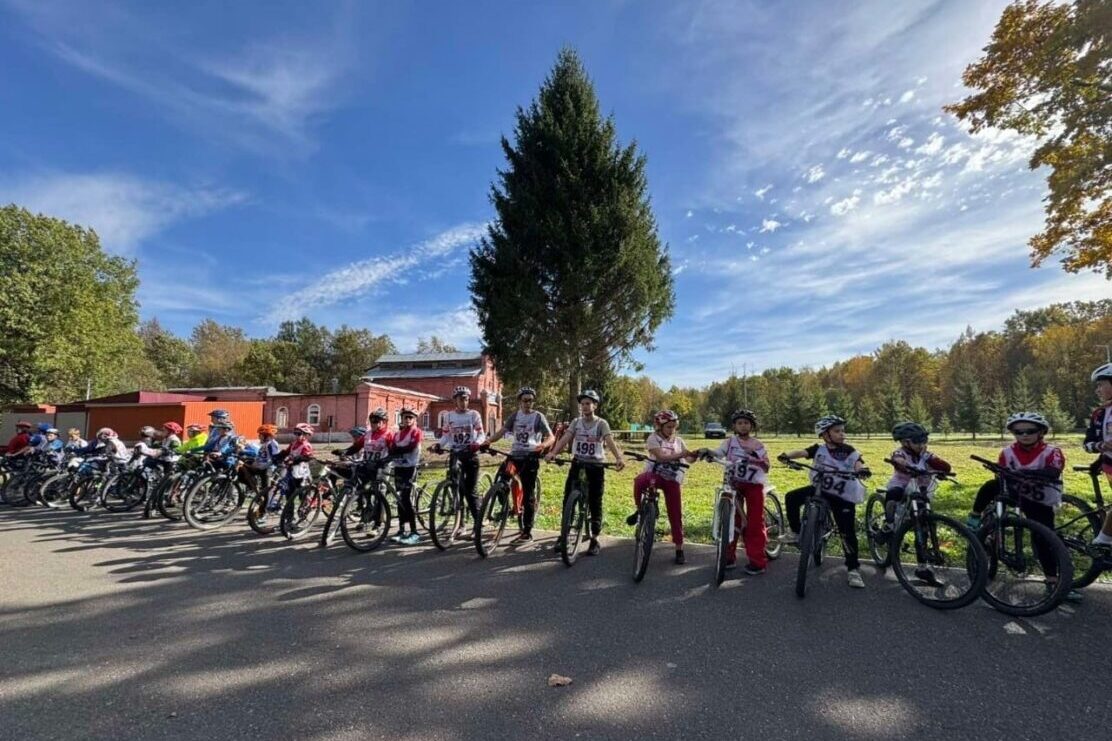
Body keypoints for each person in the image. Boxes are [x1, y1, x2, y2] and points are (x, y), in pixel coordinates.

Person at [966, 412, 1068, 594]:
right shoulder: (1007, 452)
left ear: (1041, 432)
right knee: (991, 486)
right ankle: (976, 518)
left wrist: (1024, 474)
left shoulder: (1052, 452)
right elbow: (1001, 474)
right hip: (1014, 493)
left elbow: (1052, 472)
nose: (1024, 435)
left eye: (1030, 431)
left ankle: (1053, 579)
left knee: (1043, 538)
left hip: (1040, 499)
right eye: (1018, 432)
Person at [778, 414, 871, 589]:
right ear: (825, 434)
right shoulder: (818, 449)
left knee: (847, 532)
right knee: (791, 497)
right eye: (837, 431)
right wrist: (786, 456)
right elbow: (801, 452)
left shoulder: (849, 450)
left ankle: (853, 569)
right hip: (820, 490)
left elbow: (858, 463)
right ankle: (796, 532)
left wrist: (862, 470)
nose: (842, 434)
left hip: (842, 495)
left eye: (843, 431)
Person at [545, 389, 625, 556]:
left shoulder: (601, 424)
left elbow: (609, 441)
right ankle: (564, 534)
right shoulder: (576, 422)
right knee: (568, 498)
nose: (585, 407)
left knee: (595, 502)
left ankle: (595, 538)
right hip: (578, 464)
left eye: (588, 403)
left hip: (596, 467)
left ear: (594, 405)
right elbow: (566, 438)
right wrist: (553, 452)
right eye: (582, 404)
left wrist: (618, 458)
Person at [700, 409, 770, 574]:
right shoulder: (729, 442)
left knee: (754, 523)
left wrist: (754, 458)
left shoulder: (757, 444)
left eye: (746, 423)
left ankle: (757, 562)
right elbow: (719, 452)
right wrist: (709, 452)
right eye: (740, 423)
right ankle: (728, 556)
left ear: (751, 426)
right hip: (734, 484)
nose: (743, 426)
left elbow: (766, 466)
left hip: (753, 485)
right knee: (732, 521)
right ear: (734, 426)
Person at [628, 409, 697, 564]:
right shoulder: (653, 438)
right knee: (639, 481)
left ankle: (679, 548)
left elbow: (690, 459)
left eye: (674, 426)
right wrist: (681, 455)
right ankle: (640, 509)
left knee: (675, 513)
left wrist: (695, 454)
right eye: (668, 427)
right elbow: (662, 457)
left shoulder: (679, 441)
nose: (672, 430)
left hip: (672, 479)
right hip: (655, 475)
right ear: (659, 427)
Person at [488, 387, 555, 544]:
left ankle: (527, 531)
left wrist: (542, 446)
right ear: (519, 401)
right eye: (525, 400)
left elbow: (551, 437)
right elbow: (501, 432)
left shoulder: (538, 417)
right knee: (500, 481)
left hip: (530, 458)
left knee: (528, 494)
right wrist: (488, 441)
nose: (528, 403)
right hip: (515, 456)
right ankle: (507, 510)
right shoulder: (515, 416)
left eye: (530, 400)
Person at [431, 387, 486, 529]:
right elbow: (446, 436)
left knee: (470, 490)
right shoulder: (449, 416)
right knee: (457, 489)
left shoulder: (474, 415)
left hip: (470, 455)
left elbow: (481, 434)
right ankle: (460, 524)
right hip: (455, 454)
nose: (464, 402)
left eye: (466, 399)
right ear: (455, 400)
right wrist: (438, 445)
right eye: (461, 399)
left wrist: (477, 443)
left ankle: (478, 523)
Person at [884, 422, 952, 527]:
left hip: (921, 487)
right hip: (902, 483)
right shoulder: (900, 452)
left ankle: (921, 534)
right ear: (905, 443)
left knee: (923, 511)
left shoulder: (925, 455)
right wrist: (903, 464)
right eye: (917, 442)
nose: (921, 445)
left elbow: (941, 464)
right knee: (893, 493)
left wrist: (941, 469)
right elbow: (898, 460)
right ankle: (888, 523)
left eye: (924, 441)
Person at [1084, 363, 1112, 547]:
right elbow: (1087, 444)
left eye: (1101, 384)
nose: (1098, 390)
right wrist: (1101, 445)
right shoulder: (1100, 414)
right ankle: (1102, 540)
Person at [391, 406, 424, 545]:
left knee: (406, 498)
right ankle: (401, 529)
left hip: (410, 467)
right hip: (399, 467)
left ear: (415, 419)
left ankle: (414, 531)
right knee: (399, 498)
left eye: (411, 417)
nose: (408, 420)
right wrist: (395, 451)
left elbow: (411, 447)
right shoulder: (397, 434)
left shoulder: (417, 432)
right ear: (402, 419)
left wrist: (397, 450)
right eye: (405, 417)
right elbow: (392, 447)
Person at [269, 422, 315, 511]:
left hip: (301, 473)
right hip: (291, 470)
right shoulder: (293, 443)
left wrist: (296, 460)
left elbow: (307, 457)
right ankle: (289, 517)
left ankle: (304, 510)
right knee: (289, 494)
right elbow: (286, 452)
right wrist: (277, 457)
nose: (296, 436)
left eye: (299, 434)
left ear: (305, 435)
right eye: (295, 433)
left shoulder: (306, 445)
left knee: (302, 493)